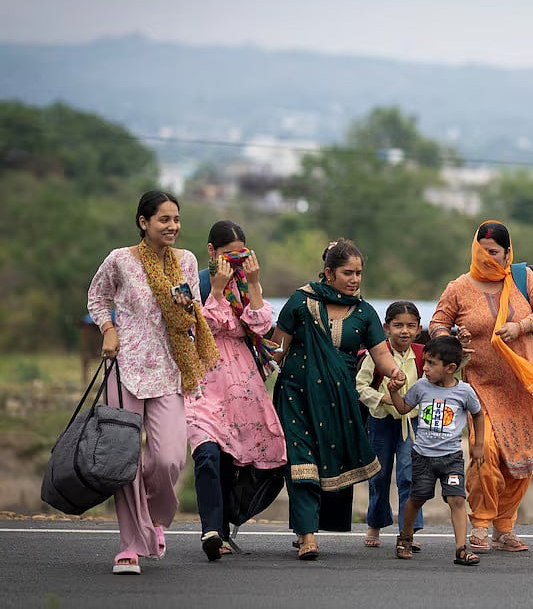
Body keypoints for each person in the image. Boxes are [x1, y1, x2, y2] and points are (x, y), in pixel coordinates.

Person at [87, 190, 219, 575]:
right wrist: (109, 329)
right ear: (143, 222)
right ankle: (130, 544)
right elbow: (97, 298)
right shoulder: (120, 261)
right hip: (125, 368)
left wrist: (187, 312)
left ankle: (152, 518)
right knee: (124, 461)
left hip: (170, 370)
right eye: (164, 219)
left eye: (176, 219)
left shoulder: (186, 261)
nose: (173, 226)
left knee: (169, 458)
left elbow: (193, 312)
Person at [270, 238, 405, 561]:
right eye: (348, 272)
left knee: (325, 465)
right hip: (296, 396)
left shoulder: (365, 313)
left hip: (339, 404)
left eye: (359, 272)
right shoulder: (301, 302)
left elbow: (382, 355)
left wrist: (394, 373)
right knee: (301, 464)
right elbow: (277, 349)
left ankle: (311, 526)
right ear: (329, 273)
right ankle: (307, 537)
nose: (355, 279)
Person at [430, 220, 533, 553]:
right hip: (479, 386)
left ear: (507, 253)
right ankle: (481, 524)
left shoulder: (522, 278)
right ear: (475, 250)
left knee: (520, 460)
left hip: (522, 385)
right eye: (483, 252)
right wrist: (454, 341)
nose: (489, 258)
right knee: (484, 452)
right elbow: (437, 324)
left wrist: (521, 326)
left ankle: (505, 527)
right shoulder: (458, 287)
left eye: (496, 253)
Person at [187, 220, 287, 561]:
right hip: (204, 378)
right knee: (207, 451)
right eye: (228, 256)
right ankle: (210, 529)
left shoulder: (245, 285)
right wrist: (215, 290)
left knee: (243, 458)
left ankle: (227, 524)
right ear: (211, 252)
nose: (235, 263)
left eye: (241, 255)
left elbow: (261, 326)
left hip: (242, 378)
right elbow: (199, 328)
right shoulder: (195, 282)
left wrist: (255, 283)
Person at [386, 336, 484, 566]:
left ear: (450, 368)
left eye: (431, 363)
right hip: (422, 456)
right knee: (417, 498)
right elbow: (403, 408)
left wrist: (478, 444)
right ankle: (405, 537)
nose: (425, 368)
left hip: (451, 457)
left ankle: (461, 548)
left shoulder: (465, 391)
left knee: (457, 499)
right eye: (425, 362)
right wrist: (393, 392)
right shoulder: (421, 386)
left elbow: (478, 414)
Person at [356, 301, 425, 549]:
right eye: (398, 325)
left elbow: (436, 380)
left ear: (418, 329)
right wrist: (384, 398)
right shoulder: (376, 353)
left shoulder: (422, 354)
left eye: (410, 326)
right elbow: (361, 386)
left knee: (409, 475)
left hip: (412, 422)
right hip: (380, 421)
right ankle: (374, 524)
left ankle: (408, 531)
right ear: (386, 327)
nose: (404, 331)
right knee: (379, 474)